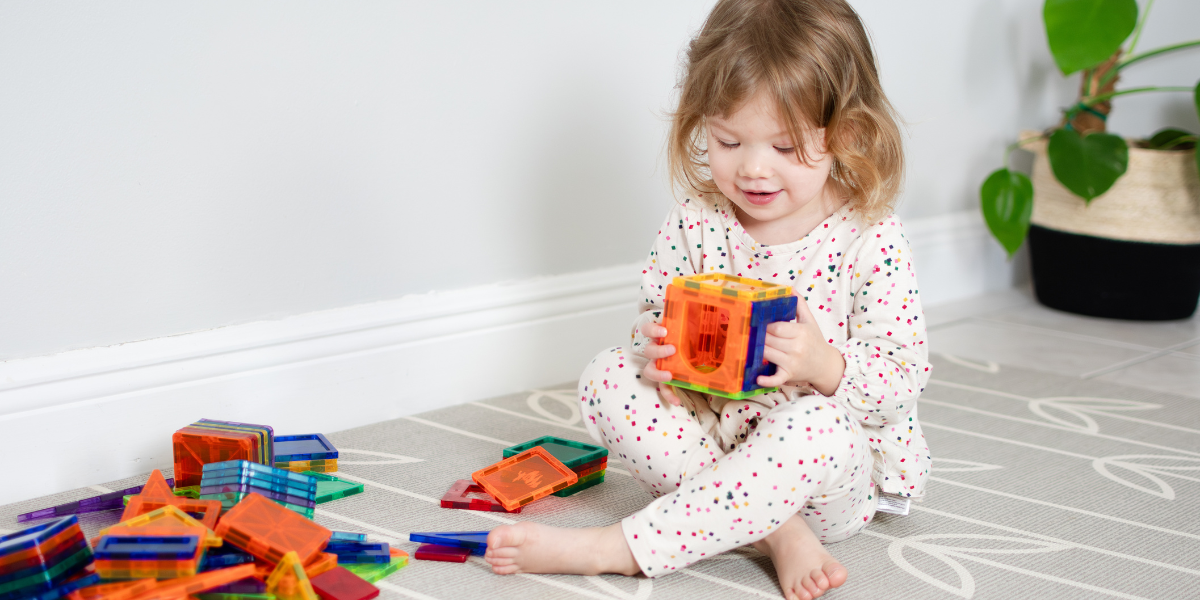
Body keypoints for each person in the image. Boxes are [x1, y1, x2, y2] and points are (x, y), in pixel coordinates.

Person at [485, 0, 931, 598]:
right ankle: (778, 534)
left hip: (824, 478)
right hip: (711, 448)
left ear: (845, 132)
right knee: (607, 374)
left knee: (815, 426)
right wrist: (657, 347)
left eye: (785, 147)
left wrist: (824, 365)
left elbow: (902, 377)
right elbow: (655, 316)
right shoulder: (698, 220)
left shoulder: (870, 238)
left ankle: (619, 548)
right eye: (728, 140)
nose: (752, 168)